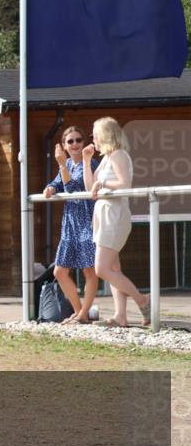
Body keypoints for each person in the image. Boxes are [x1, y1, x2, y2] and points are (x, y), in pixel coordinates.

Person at [83, 117, 150, 328]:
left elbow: (124, 183)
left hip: (115, 213)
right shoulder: (105, 158)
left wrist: (103, 183)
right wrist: (86, 161)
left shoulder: (119, 154)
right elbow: (90, 187)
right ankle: (121, 315)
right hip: (103, 213)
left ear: (105, 134)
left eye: (94, 133)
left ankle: (142, 300)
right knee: (113, 267)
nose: (92, 137)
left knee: (101, 269)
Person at [43, 126, 99, 324]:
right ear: (65, 146)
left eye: (78, 140)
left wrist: (61, 166)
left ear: (83, 143)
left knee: (89, 270)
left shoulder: (89, 163)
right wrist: (50, 187)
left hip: (87, 221)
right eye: (70, 141)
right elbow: (58, 183)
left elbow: (72, 188)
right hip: (70, 223)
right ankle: (79, 312)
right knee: (59, 271)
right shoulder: (66, 164)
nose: (75, 144)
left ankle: (83, 314)